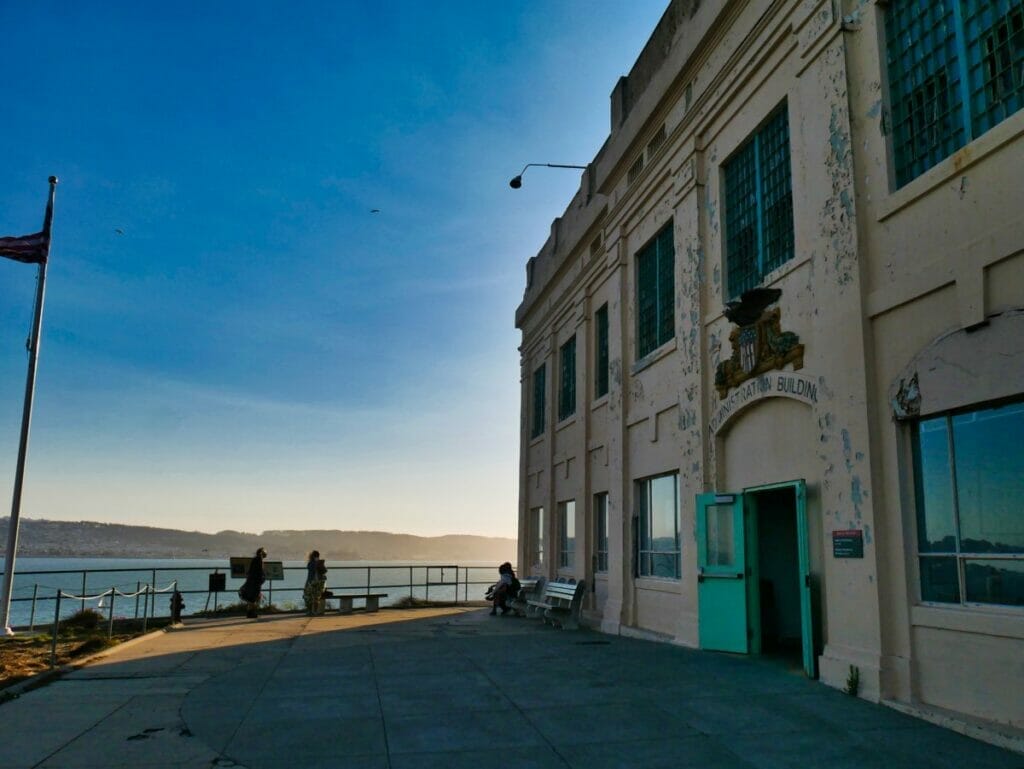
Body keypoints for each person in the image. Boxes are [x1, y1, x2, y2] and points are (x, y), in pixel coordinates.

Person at [238, 547, 266, 619]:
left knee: (251, 598)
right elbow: (260, 572)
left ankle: (250, 612)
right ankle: (252, 613)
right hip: (255, 582)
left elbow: (250, 571)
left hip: (251, 581)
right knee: (253, 598)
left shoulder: (254, 559)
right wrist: (262, 579)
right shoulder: (259, 560)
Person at [303, 550, 328, 616]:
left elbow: (310, 574)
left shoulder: (311, 563)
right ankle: (315, 611)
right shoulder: (320, 563)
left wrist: (306, 584)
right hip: (320, 583)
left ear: (312, 556)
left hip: (311, 582)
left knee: (308, 596)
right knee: (316, 597)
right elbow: (325, 571)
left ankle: (309, 611)